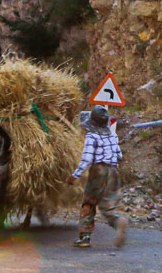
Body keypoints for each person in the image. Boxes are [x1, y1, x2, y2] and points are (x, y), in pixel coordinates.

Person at [67, 104, 128, 248]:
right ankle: (119, 221)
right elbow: (119, 155)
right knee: (110, 204)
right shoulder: (113, 135)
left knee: (89, 202)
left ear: (92, 121)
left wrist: (75, 175)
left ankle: (84, 237)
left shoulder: (91, 136)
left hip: (98, 171)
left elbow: (87, 159)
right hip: (113, 171)